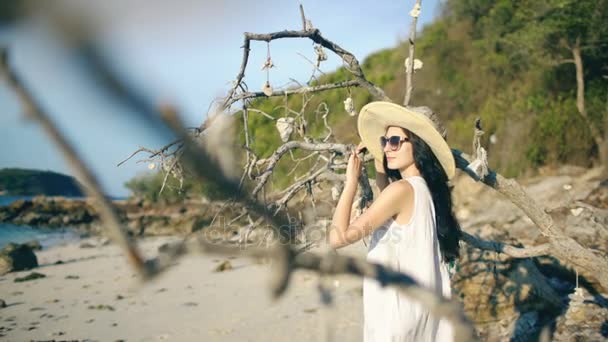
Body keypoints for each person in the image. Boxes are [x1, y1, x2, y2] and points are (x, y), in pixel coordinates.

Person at [328, 101, 462, 341]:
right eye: (384, 141)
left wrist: (350, 182)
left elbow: (337, 238)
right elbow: (385, 194)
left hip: (395, 320)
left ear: (418, 146)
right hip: (417, 316)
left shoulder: (401, 190)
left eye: (395, 141)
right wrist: (379, 157)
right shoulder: (425, 190)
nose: (387, 147)